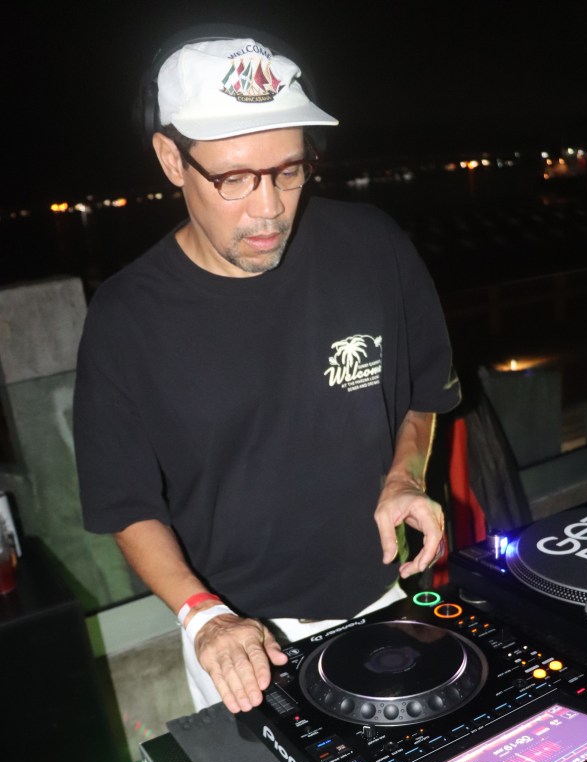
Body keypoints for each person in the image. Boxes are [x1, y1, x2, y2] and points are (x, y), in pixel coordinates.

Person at [73, 31, 460, 715]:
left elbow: (423, 392)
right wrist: (202, 615)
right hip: (236, 638)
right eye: (233, 179)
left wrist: (403, 474)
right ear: (171, 159)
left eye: (288, 170)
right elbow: (124, 503)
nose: (269, 208)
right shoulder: (126, 316)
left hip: (386, 600)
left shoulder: (372, 247)